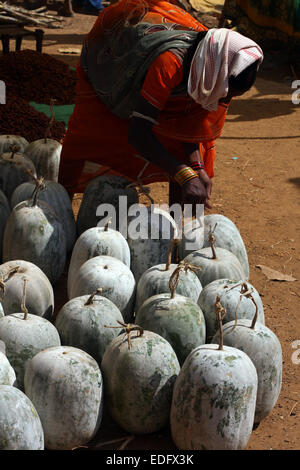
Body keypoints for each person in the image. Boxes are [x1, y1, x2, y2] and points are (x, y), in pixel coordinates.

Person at [58, 0, 263, 212]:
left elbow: (189, 126)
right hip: (108, 59)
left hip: (159, 76)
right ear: (218, 76)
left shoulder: (213, 64)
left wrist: (196, 168)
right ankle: (59, 209)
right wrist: (184, 174)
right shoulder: (170, 64)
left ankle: (175, 227)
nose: (224, 100)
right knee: (88, 134)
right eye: (226, 93)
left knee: (184, 154)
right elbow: (138, 133)